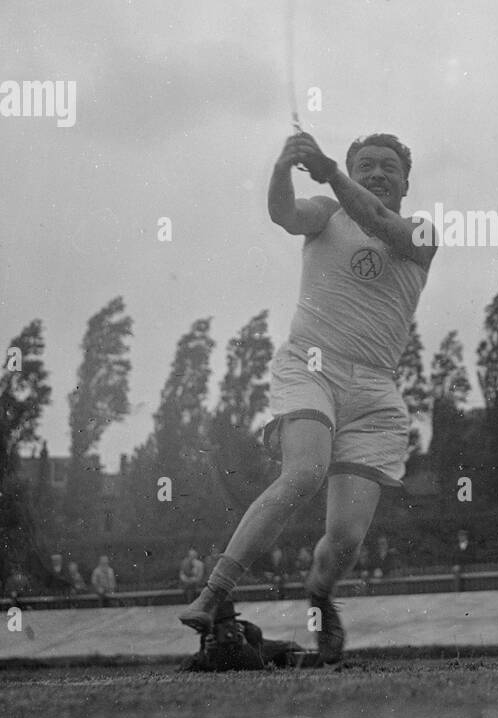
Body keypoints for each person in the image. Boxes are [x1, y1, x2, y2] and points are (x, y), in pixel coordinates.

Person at [179, 131, 438, 666]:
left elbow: (380, 225)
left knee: (343, 539)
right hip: (310, 366)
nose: (377, 174)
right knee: (303, 473)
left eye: (389, 167)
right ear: (351, 170)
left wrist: (332, 172)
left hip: (375, 392)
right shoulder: (325, 210)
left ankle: (320, 595)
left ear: (407, 183)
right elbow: (283, 214)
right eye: (365, 165)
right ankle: (215, 594)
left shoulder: (422, 230)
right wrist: (282, 168)